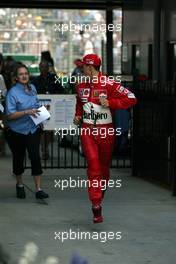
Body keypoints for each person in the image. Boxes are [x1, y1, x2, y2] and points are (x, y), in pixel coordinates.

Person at [74, 54, 137, 223]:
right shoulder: (80, 84)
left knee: (103, 168)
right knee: (93, 164)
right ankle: (96, 205)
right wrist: (78, 116)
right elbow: (80, 104)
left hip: (106, 131)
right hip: (87, 130)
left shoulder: (109, 83)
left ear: (90, 67)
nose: (81, 70)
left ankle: (98, 194)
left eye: (83, 68)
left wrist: (110, 103)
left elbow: (131, 98)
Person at [5, 64, 49, 199]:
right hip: (17, 131)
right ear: (16, 78)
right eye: (21, 74)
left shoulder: (32, 88)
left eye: (26, 73)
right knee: (19, 159)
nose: (24, 76)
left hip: (32, 129)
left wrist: (43, 110)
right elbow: (9, 115)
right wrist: (26, 112)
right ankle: (19, 184)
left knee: (35, 157)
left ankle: (38, 189)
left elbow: (35, 105)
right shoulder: (12, 93)